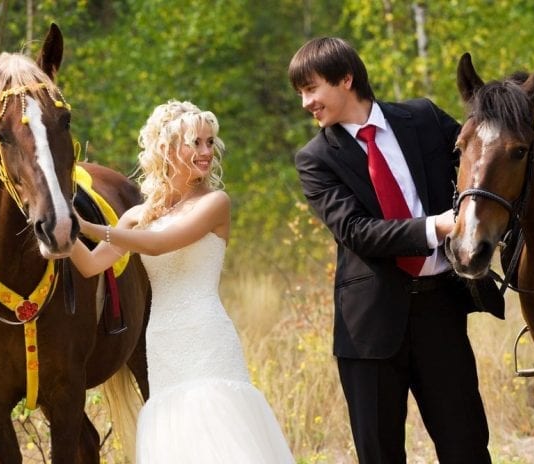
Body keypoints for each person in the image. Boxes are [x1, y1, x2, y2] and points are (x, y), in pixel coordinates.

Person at [287, 37, 504, 463]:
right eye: (300, 93)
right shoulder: (315, 159)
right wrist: (435, 226)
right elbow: (355, 231)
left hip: (441, 311)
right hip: (367, 330)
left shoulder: (422, 118)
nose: (305, 103)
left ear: (346, 78)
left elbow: (479, 162)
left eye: (311, 88)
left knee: (467, 447)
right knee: (380, 455)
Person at [70, 100, 295, 463]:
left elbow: (159, 244)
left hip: (207, 338)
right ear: (166, 148)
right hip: (163, 342)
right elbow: (92, 265)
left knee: (224, 438)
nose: (206, 152)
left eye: (210, 142)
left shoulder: (214, 203)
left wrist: (91, 228)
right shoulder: (137, 216)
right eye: (196, 142)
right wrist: (62, 238)